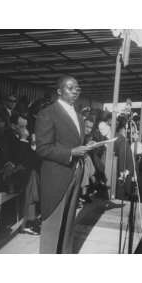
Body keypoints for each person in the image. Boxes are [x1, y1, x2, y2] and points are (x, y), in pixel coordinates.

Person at [35, 76, 90, 254]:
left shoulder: (79, 116)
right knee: (53, 224)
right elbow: (42, 148)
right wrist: (70, 153)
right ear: (59, 91)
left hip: (75, 172)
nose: (75, 91)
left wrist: (85, 148)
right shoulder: (47, 113)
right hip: (56, 176)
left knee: (68, 223)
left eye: (77, 88)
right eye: (70, 88)